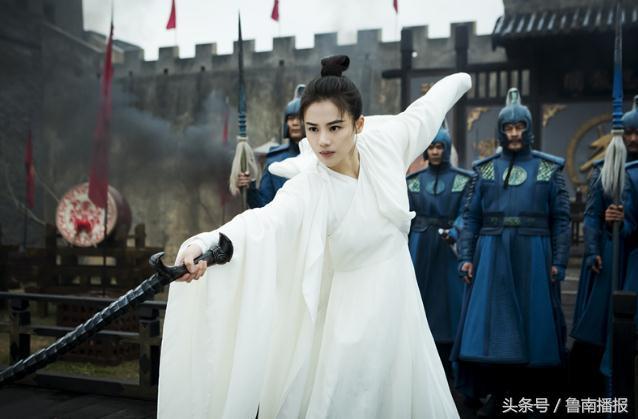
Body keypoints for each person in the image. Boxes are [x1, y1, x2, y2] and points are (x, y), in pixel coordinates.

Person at [158, 55, 470, 418]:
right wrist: (205, 245)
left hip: (401, 307)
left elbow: (428, 109)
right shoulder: (309, 187)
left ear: (358, 124)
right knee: (352, 398)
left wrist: (461, 80)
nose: (323, 141)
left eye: (335, 127)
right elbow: (262, 223)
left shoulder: (386, 143)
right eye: (312, 129)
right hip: (349, 320)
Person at [452, 88, 571, 413]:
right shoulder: (485, 170)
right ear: (501, 131)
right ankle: (496, 393)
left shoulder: (548, 169)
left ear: (527, 129)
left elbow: (561, 220)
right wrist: (466, 257)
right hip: (492, 253)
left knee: (535, 326)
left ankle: (527, 396)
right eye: (509, 128)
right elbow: (471, 218)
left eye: (519, 127)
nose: (515, 133)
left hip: (535, 252)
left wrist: (559, 260)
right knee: (493, 327)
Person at [571, 95, 638, 385]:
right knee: (605, 320)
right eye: (628, 133)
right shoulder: (603, 170)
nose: (633, 138)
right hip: (611, 254)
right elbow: (592, 215)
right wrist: (593, 250)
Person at [406, 127, 472, 374]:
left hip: (448, 246)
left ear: (446, 149)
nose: (434, 152)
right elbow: (405, 217)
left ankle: (453, 359)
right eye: (431, 147)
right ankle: (419, 359)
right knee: (418, 300)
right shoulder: (412, 182)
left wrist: (456, 230)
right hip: (420, 245)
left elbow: (467, 213)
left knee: (452, 302)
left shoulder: (463, 180)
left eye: (439, 147)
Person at [237, 85, 306, 208]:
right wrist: (249, 189)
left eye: (299, 117)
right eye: (291, 118)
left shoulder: (321, 157)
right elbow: (264, 206)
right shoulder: (275, 159)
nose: (295, 123)